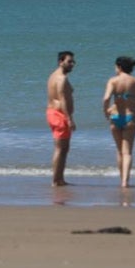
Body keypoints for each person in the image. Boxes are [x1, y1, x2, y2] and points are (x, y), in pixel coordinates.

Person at [103, 55, 135, 188]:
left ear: (119, 67)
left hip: (115, 117)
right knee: (128, 152)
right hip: (130, 117)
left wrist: (106, 111)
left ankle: (121, 180)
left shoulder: (113, 81)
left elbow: (106, 98)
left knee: (119, 151)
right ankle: (125, 182)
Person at [46, 51, 76, 186]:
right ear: (61, 62)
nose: (72, 64)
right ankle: (55, 180)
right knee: (60, 148)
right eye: (69, 62)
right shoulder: (61, 78)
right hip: (59, 115)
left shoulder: (53, 75)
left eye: (73, 62)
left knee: (63, 148)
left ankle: (60, 179)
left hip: (53, 113)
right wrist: (69, 119)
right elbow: (62, 98)